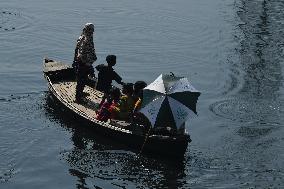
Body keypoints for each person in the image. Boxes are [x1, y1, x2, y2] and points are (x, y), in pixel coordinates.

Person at [73, 23, 97, 102]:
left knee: (83, 79)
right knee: (81, 80)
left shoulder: (82, 37)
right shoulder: (87, 39)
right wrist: (87, 63)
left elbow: (77, 50)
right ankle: (78, 98)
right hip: (84, 63)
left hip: (83, 62)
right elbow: (82, 52)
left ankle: (80, 93)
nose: (92, 31)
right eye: (91, 29)